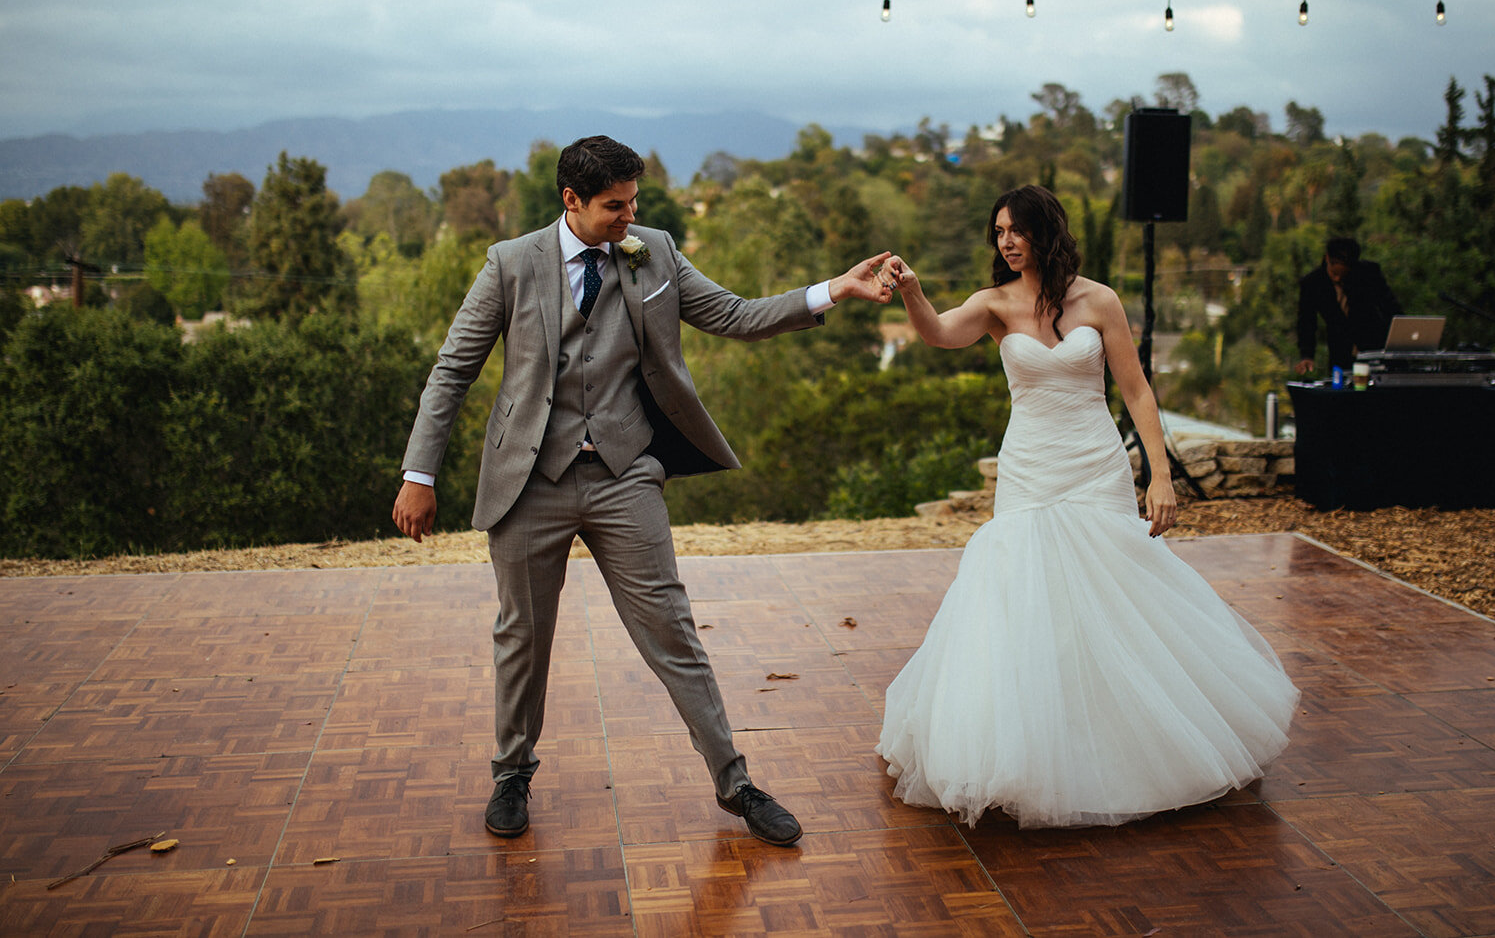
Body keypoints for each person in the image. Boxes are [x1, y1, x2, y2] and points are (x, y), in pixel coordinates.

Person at [392, 135, 896, 846]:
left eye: (635, 201)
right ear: (570, 200)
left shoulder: (652, 249)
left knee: (672, 630)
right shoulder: (510, 265)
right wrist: (420, 473)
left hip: (625, 473)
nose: (630, 216)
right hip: (528, 480)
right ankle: (512, 770)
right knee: (522, 637)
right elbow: (452, 371)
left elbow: (735, 314)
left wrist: (833, 290)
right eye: (614, 206)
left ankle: (736, 782)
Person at [875, 184, 1299, 829]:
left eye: (1015, 230)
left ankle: (1136, 736)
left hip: (1096, 464)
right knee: (1027, 594)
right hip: (1031, 469)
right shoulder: (992, 305)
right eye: (997, 233)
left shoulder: (1098, 300)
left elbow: (1136, 389)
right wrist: (910, 289)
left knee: (1113, 589)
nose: (1006, 242)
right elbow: (936, 334)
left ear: (1045, 230)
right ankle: (1041, 748)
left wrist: (1161, 475)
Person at [1295, 236, 1401, 376]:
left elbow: (1389, 306)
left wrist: (1399, 338)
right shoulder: (1312, 283)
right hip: (1340, 353)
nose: (1337, 279)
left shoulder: (1368, 273)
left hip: (1374, 347)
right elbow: (1306, 322)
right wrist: (1307, 355)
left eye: (1342, 275)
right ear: (1327, 259)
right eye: (1334, 273)